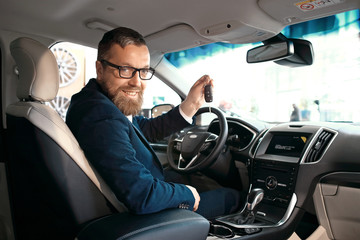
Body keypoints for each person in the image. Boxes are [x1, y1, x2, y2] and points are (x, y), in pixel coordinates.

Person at [66, 27, 241, 219]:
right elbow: (142, 196)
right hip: (144, 217)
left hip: (145, 193)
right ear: (100, 69)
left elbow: (143, 129)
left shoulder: (98, 102)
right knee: (231, 196)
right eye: (125, 70)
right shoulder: (100, 116)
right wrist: (187, 195)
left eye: (143, 71)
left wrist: (190, 105)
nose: (137, 82)